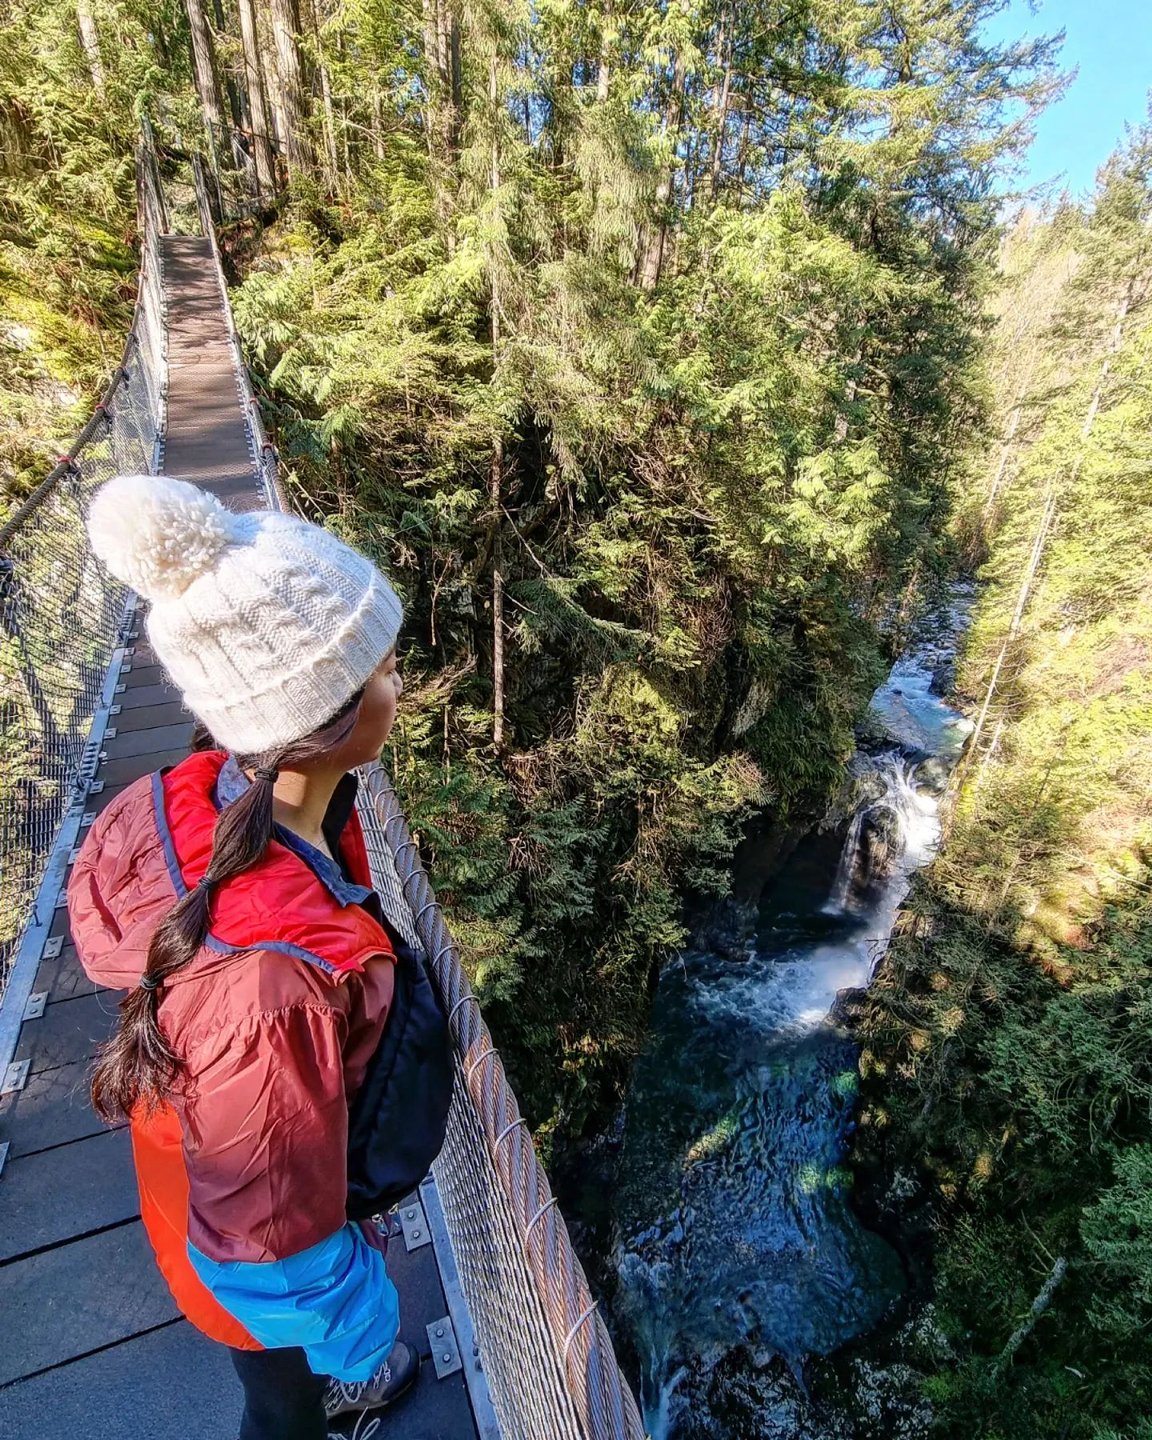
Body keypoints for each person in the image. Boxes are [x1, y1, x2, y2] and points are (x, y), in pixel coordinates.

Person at [67, 473, 444, 1440]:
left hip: (199, 1186)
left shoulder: (210, 797)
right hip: (244, 1249)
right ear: (323, 715)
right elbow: (269, 1240)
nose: (400, 686)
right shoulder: (267, 980)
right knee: (280, 1408)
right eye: (385, 669)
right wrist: (365, 1334)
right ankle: (338, 1391)